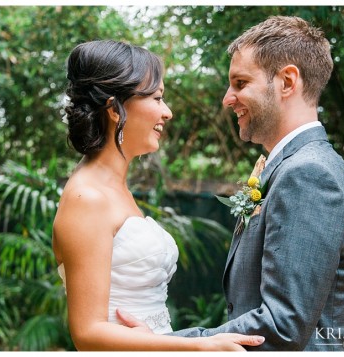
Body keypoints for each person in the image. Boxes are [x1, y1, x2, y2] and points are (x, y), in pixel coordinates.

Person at [117, 16, 344, 351]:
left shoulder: (309, 175)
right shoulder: (293, 166)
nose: (227, 98)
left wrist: (167, 343)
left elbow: (283, 324)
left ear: (288, 82)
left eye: (240, 83)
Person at [51, 39, 264, 351]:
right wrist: (201, 347)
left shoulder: (115, 188)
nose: (168, 112)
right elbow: (88, 331)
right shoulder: (88, 198)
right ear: (114, 108)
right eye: (157, 98)